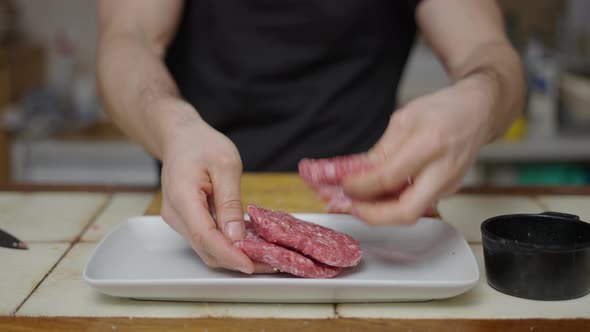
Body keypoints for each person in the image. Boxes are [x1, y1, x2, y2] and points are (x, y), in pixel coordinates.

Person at [97, 0, 525, 274]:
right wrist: (174, 128)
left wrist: (477, 100)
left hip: (373, 219)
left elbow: (488, 53)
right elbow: (126, 40)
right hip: (194, 208)